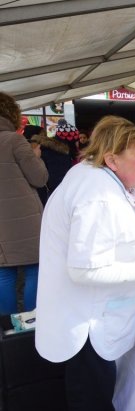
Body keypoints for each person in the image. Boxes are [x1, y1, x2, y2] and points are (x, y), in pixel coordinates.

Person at [35, 115, 135, 411]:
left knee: (89, 402)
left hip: (88, 321)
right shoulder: (97, 195)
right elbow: (85, 270)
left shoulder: (101, 179)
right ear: (112, 159)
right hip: (87, 328)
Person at [0, 92, 48, 314]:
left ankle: (8, 328)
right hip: (24, 222)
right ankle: (32, 323)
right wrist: (35, 156)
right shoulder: (14, 140)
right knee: (34, 269)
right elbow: (39, 179)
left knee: (4, 275)